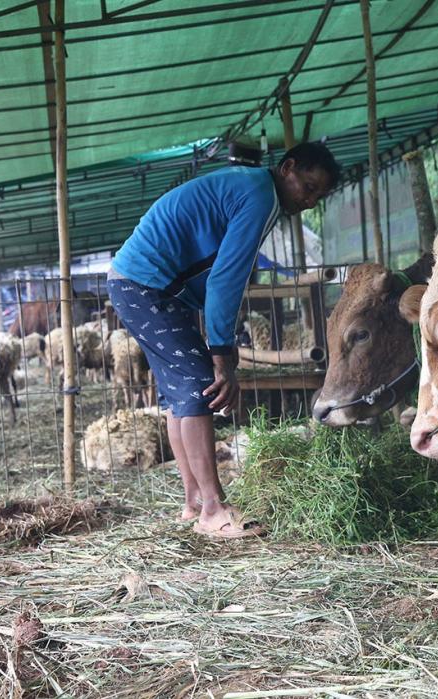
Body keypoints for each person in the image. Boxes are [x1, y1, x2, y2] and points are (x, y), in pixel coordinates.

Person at [108, 142, 340, 538]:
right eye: (308, 186)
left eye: (318, 195)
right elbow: (226, 279)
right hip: (146, 284)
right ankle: (213, 510)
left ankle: (194, 502)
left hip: (140, 283)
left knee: (179, 396)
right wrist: (222, 355)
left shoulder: (249, 187)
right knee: (200, 387)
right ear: (287, 168)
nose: (309, 201)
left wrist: (220, 348)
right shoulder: (261, 197)